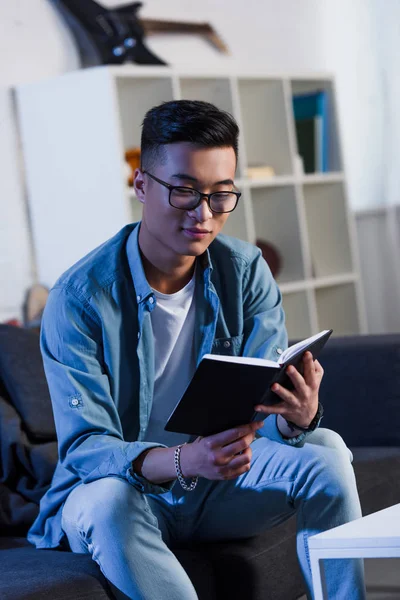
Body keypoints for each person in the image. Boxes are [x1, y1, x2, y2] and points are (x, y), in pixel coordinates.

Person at [28, 100, 365, 600]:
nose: (204, 215)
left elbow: (261, 411)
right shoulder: (80, 299)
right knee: (108, 503)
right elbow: (86, 450)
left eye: (221, 194)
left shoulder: (245, 270)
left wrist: (294, 417)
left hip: (215, 485)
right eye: (185, 192)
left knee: (327, 451)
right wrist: (184, 459)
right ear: (141, 185)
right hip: (128, 494)